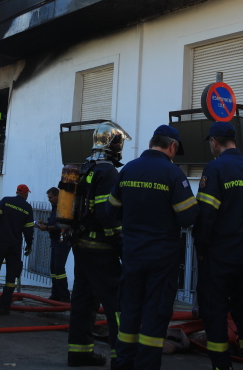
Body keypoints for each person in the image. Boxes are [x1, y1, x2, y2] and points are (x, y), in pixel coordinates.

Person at [108, 125, 199, 370]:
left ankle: (123, 363)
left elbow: (111, 210)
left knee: (129, 313)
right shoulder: (173, 173)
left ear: (151, 143)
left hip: (132, 255)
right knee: (155, 315)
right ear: (172, 147)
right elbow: (189, 216)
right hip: (162, 259)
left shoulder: (128, 169)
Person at [193, 122, 243, 370]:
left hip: (219, 257)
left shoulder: (215, 169)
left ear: (214, 142)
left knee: (215, 312)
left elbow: (205, 217)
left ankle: (221, 365)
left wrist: (202, 249)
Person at [66, 121, 129, 368]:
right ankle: (121, 358)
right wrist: (120, 245)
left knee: (83, 300)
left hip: (80, 245)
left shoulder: (86, 166)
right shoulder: (109, 172)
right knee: (117, 303)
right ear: (114, 143)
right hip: (100, 249)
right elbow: (107, 214)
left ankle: (79, 352)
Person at [0, 184, 35, 315]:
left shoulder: (6, 201)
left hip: (0, 242)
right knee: (11, 277)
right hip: (14, 246)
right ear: (26, 194)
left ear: (17, 192)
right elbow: (28, 230)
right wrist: (29, 244)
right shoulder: (27, 208)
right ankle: (4, 308)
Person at [36, 186, 72, 302]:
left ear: (57, 196)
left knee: (59, 268)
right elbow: (54, 223)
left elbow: (62, 226)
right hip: (56, 241)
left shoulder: (63, 209)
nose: (49, 199)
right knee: (53, 268)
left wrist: (46, 227)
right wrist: (44, 224)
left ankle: (65, 297)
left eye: (51, 197)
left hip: (63, 241)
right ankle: (55, 294)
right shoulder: (55, 208)